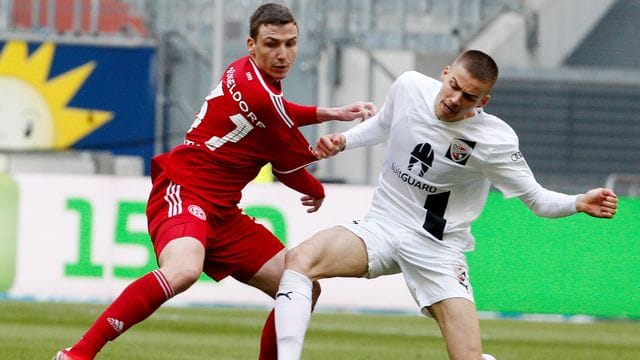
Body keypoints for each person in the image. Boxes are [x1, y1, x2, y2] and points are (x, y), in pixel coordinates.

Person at [53, 3, 376, 360]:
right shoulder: (264, 100)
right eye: (272, 44)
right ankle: (77, 354)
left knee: (301, 287)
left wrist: (328, 113)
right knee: (183, 270)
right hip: (185, 187)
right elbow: (289, 166)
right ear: (251, 45)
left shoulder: (245, 73)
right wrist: (318, 178)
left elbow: (280, 119)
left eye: (290, 43)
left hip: (223, 211)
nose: (283, 54)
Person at [273, 50, 618, 360]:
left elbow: (537, 199)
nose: (455, 99)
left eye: (469, 97)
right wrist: (344, 141)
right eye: (454, 86)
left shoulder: (494, 142)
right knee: (300, 259)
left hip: (437, 249)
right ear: (445, 72)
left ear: (484, 101)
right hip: (382, 225)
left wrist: (578, 202)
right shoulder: (408, 86)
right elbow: (383, 125)